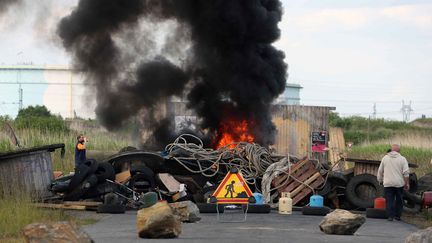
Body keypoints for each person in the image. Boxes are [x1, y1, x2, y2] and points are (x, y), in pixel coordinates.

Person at [377, 144, 410, 221]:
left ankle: (390, 216)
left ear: (391, 150)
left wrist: (380, 180)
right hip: (399, 183)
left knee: (389, 200)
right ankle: (397, 216)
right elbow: (406, 173)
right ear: (399, 151)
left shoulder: (385, 158)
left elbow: (380, 171)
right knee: (399, 200)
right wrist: (406, 183)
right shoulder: (402, 159)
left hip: (388, 183)